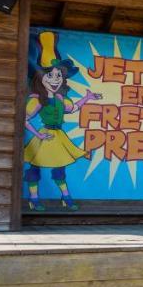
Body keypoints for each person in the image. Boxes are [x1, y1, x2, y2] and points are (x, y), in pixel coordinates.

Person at [23, 31, 101, 211]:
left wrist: (87, 98)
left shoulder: (60, 99)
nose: (55, 80)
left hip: (58, 137)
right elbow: (25, 120)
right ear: (40, 78)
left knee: (59, 169)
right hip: (44, 137)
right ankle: (34, 198)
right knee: (35, 169)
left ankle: (66, 197)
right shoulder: (37, 99)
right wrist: (37, 135)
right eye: (50, 76)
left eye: (58, 76)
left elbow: (72, 108)